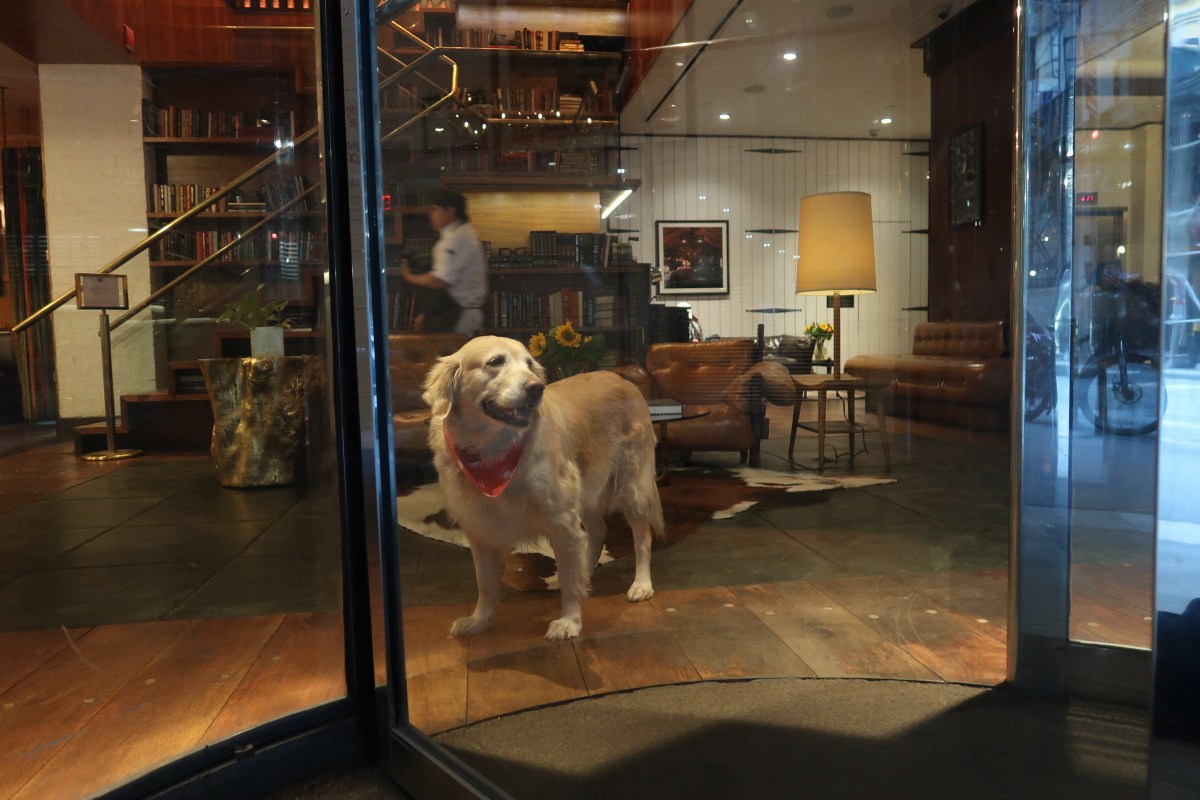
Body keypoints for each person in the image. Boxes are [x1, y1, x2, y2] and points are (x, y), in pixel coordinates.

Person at [399, 188, 487, 334]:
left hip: (460, 317)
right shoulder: (456, 235)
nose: (430, 215)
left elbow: (441, 281)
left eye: (435, 210)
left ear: (450, 212)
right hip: (451, 313)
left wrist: (409, 276)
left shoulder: (458, 238)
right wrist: (428, 314)